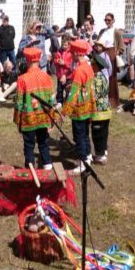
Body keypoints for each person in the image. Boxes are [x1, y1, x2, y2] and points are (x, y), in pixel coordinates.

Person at [13, 48, 55, 169]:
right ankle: (47, 166)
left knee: (29, 144)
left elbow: (19, 102)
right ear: (39, 59)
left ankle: (30, 168)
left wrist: (17, 120)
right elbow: (51, 99)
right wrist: (52, 117)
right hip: (43, 116)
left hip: (28, 118)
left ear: (27, 60)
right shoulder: (46, 77)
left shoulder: (22, 78)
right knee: (43, 143)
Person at [63, 40, 97, 174]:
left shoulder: (79, 70)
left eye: (72, 52)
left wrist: (66, 110)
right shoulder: (88, 67)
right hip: (88, 106)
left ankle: (83, 162)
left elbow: (74, 93)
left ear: (77, 53)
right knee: (85, 134)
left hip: (79, 109)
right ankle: (88, 156)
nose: (71, 55)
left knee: (79, 136)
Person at [90, 53, 112, 165]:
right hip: (106, 110)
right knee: (104, 132)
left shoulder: (96, 78)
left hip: (99, 112)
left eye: (92, 63)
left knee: (97, 134)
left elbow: (95, 95)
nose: (90, 65)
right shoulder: (103, 76)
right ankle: (104, 151)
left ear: (96, 65)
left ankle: (100, 155)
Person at [53, 35, 73, 104]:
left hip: (68, 76)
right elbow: (54, 61)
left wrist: (64, 63)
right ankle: (59, 103)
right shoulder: (59, 51)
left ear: (69, 44)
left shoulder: (71, 53)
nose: (63, 46)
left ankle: (68, 103)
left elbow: (71, 65)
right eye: (62, 44)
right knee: (59, 90)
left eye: (65, 45)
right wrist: (57, 61)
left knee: (68, 90)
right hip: (60, 75)